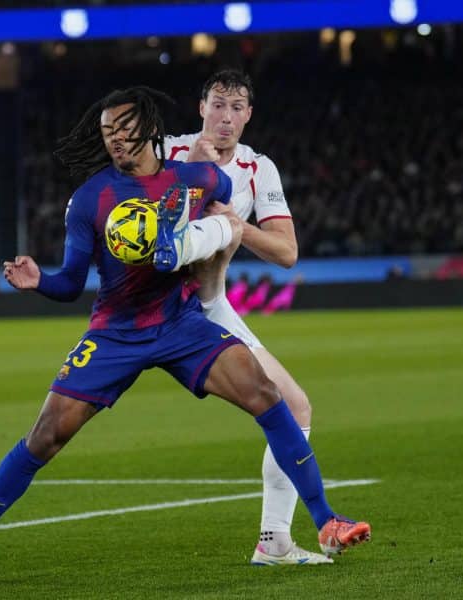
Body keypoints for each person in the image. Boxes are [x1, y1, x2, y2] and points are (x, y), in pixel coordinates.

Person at [0, 87, 369, 587]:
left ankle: (326, 521)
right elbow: (72, 283)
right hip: (116, 332)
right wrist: (40, 282)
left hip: (181, 324)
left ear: (148, 128)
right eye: (106, 135)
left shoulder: (198, 178)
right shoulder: (90, 199)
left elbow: (225, 214)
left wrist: (207, 247)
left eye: (123, 130)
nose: (115, 142)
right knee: (45, 437)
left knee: (267, 395)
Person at [165, 69, 362, 565]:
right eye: (217, 104)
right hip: (147, 308)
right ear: (201, 107)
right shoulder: (166, 151)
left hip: (209, 308)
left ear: (249, 115)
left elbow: (288, 253)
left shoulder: (259, 170)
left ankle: (274, 541)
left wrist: (238, 227)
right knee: (59, 425)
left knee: (295, 406)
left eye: (236, 108)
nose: (225, 117)